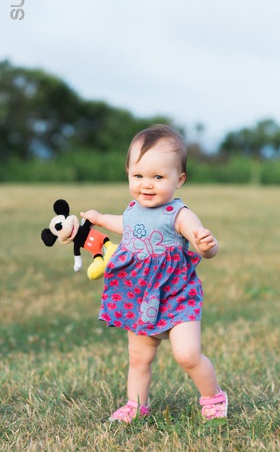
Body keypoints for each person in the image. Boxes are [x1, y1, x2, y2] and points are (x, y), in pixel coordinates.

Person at [82, 125, 227, 423]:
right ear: (128, 175)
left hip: (175, 295)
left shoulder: (179, 214)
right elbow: (125, 223)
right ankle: (136, 405)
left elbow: (203, 247)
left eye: (158, 177)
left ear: (179, 179)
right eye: (138, 176)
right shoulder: (134, 209)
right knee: (139, 357)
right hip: (138, 295)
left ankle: (213, 397)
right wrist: (98, 219)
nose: (146, 185)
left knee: (186, 355)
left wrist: (206, 246)